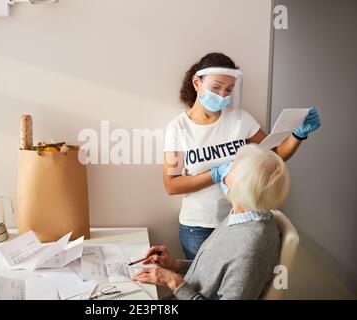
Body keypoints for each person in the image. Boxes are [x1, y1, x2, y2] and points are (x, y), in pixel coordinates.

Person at [163, 52, 320, 259]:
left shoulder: (241, 120)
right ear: (196, 82)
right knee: (202, 288)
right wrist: (217, 173)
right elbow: (172, 184)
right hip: (199, 228)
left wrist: (299, 134)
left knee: (237, 288)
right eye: (216, 87)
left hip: (241, 221)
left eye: (228, 90)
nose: (222, 95)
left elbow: (275, 155)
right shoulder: (178, 128)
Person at [134, 144, 289, 299]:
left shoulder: (252, 249)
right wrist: (175, 265)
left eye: (231, 168)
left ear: (242, 187)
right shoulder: (240, 216)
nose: (224, 170)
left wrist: (173, 282)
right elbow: (212, 272)